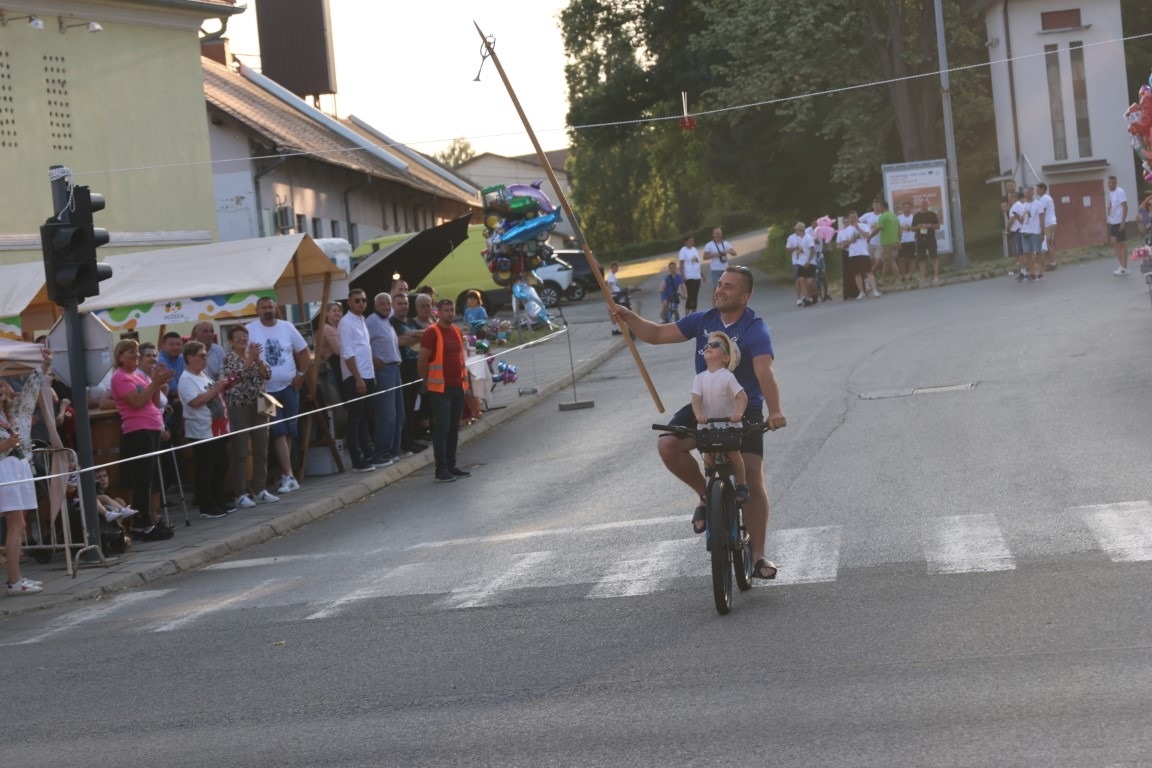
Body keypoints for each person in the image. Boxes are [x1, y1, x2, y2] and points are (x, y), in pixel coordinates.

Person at [608, 265, 786, 581]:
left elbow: (763, 373)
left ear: (745, 296)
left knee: (752, 476)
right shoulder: (702, 320)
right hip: (704, 408)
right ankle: (706, 495)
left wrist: (774, 410)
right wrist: (629, 317)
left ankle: (758, 555)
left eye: (728, 286)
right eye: (719, 284)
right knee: (668, 444)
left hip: (742, 410)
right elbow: (658, 334)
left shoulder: (755, 328)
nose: (719, 289)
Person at [109, 339, 174, 541]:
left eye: (136, 351)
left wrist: (157, 384)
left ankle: (148, 519)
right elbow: (136, 402)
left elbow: (153, 402)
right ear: (120, 356)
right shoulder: (119, 378)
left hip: (152, 428)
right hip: (138, 430)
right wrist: (154, 383)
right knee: (142, 479)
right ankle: (141, 523)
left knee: (151, 478)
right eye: (131, 352)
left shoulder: (138, 376)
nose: (135, 355)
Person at [0, 346, 51, 595]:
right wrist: (5, 446)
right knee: (15, 524)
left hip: (17, 468)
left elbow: (31, 394)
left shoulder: (11, 413)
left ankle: (15, 578)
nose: (1, 388)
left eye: (1, 385)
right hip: (4, 471)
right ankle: (13, 580)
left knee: (18, 523)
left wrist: (43, 366)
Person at [245, 295, 309, 494]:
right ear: (257, 310)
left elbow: (304, 352)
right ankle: (288, 476)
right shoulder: (250, 329)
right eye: (263, 307)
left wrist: (301, 375)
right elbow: (244, 357)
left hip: (289, 388)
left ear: (275, 308)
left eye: (270, 307)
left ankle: (286, 474)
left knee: (289, 431)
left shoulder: (287, 327)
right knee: (277, 432)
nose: (267, 310)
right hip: (265, 392)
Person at [690, 331, 749, 522]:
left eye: (715, 346)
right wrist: (699, 414)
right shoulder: (699, 378)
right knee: (708, 457)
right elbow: (696, 400)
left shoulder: (727, 377)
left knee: (734, 454)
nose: (709, 347)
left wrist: (738, 413)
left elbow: (742, 397)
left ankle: (741, 485)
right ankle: (708, 487)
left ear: (726, 357)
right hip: (708, 427)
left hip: (728, 426)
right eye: (707, 345)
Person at [221, 324, 278, 509]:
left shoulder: (254, 356)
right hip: (239, 406)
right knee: (241, 450)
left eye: (244, 337)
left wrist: (258, 360)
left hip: (261, 403)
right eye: (238, 338)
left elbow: (267, 374)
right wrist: (249, 360)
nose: (242, 340)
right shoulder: (229, 358)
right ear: (230, 341)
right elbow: (233, 379)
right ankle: (240, 492)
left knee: (262, 447)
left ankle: (260, 488)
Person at [417, 298, 471, 483]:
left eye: (452, 309)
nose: (450, 313)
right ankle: (441, 469)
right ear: (437, 312)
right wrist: (426, 381)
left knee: (454, 428)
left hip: (457, 386)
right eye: (446, 310)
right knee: (442, 429)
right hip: (440, 389)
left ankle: (451, 464)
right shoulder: (432, 333)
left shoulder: (456, 331)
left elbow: (460, 359)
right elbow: (422, 360)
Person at [178, 340, 233, 519]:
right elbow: (194, 402)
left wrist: (221, 389)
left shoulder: (204, 375)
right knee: (206, 467)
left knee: (221, 464)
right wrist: (215, 389)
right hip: (202, 430)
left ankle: (219, 498)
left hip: (216, 428)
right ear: (190, 357)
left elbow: (213, 393)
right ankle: (206, 505)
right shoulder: (186, 379)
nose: (205, 359)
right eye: (201, 355)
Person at [338, 288, 378, 473]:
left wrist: (370, 375)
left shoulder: (361, 320)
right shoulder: (346, 323)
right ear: (349, 302)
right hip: (356, 376)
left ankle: (368, 453)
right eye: (357, 300)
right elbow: (348, 353)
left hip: (367, 374)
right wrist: (358, 378)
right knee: (354, 419)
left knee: (363, 417)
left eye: (363, 300)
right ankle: (357, 458)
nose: (361, 303)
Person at [366, 291, 405, 466]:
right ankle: (382, 451)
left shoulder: (387, 321)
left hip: (395, 368)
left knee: (398, 412)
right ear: (375, 306)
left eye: (388, 304)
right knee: (387, 414)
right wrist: (373, 359)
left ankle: (395, 449)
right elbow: (364, 344)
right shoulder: (371, 321)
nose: (386, 307)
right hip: (384, 370)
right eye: (383, 304)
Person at [390, 292, 427, 454]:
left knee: (413, 407)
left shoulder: (411, 321)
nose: (403, 306)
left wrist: (412, 334)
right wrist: (415, 336)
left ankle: (412, 439)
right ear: (393, 305)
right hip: (403, 370)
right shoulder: (392, 323)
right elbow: (401, 341)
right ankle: (404, 441)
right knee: (404, 407)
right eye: (399, 303)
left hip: (416, 369)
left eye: (405, 303)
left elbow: (426, 335)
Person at [836, 211, 874, 300]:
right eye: (845, 222)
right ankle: (851, 292)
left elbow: (867, 236)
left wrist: (857, 229)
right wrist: (849, 242)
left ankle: (864, 290)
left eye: (847, 222)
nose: (847, 223)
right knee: (851, 273)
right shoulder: (842, 232)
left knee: (865, 271)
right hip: (848, 253)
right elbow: (840, 245)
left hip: (860, 252)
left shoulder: (861, 226)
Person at [911, 198, 942, 286]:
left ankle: (936, 276)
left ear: (927, 205)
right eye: (922, 204)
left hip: (930, 238)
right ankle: (923, 277)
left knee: (934, 257)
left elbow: (938, 226)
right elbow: (912, 228)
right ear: (920, 205)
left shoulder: (932, 214)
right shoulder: (916, 216)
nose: (924, 205)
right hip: (920, 239)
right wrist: (919, 226)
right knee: (921, 259)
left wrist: (929, 225)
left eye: (925, 204)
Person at [1017, 186, 1045, 281]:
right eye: (1026, 192)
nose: (1027, 194)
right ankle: (1032, 272)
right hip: (1025, 231)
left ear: (1032, 193)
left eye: (1029, 192)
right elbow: (1023, 220)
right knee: (1027, 253)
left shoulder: (1038, 204)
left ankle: (1040, 272)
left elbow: (1041, 218)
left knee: (1038, 252)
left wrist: (1042, 232)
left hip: (1035, 231)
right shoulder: (1024, 205)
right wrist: (1018, 218)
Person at [314, 300, 344, 387]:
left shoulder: (336, 327)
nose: (337, 313)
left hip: (338, 367)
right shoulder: (328, 329)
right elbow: (338, 351)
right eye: (334, 311)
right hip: (334, 368)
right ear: (327, 313)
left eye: (339, 311)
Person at [786, 222, 815, 307]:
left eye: (797, 230)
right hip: (799, 262)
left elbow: (812, 249)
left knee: (809, 282)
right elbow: (788, 249)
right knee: (800, 280)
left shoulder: (807, 237)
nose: (796, 231)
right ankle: (805, 298)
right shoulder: (794, 237)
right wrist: (796, 248)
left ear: (800, 230)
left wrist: (809, 260)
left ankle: (810, 296)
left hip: (808, 262)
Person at [858, 199, 883, 295]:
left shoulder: (882, 216)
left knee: (878, 261)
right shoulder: (868, 215)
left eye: (878, 205)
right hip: (869, 242)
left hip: (879, 242)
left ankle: (867, 279)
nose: (877, 206)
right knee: (869, 262)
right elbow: (858, 221)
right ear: (873, 206)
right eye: (875, 205)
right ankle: (869, 280)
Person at [1107, 175, 1130, 275]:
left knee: (1121, 243)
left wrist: (1123, 222)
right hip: (1113, 221)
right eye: (1109, 183)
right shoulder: (1111, 193)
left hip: (1120, 221)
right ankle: (1121, 265)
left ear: (1116, 183)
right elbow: (1113, 206)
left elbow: (1125, 206)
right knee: (1113, 241)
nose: (1110, 185)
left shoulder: (1120, 192)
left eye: (1112, 183)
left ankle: (1124, 267)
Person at [876, 201, 902, 283]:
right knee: (888, 261)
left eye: (879, 207)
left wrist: (870, 237)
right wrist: (899, 241)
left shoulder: (883, 217)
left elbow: (878, 228)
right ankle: (883, 279)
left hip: (887, 242)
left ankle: (897, 279)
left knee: (890, 261)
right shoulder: (894, 216)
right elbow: (900, 230)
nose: (878, 208)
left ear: (883, 207)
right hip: (894, 241)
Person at [1036, 182, 1058, 270]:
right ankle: (1053, 261)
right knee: (1051, 243)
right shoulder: (1049, 198)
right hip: (1053, 222)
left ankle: (1052, 262)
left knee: (1047, 243)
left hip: (1048, 223)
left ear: (1042, 189)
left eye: (1038, 189)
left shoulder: (1043, 199)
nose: (1036, 191)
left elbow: (1042, 212)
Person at [678, 234, 703, 312]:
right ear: (686, 242)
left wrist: (702, 273)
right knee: (690, 296)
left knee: (695, 296)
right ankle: (687, 315)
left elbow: (697, 262)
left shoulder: (694, 250)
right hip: (689, 276)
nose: (692, 242)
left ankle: (694, 314)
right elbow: (681, 264)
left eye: (693, 240)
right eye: (690, 241)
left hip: (697, 276)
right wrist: (682, 275)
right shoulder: (683, 251)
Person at [1007, 189, 1027, 281]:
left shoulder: (1014, 207)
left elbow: (1011, 220)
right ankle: (1023, 271)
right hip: (1021, 230)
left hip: (1017, 231)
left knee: (1019, 252)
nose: (1008, 200)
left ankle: (1024, 272)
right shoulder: (1020, 205)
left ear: (1012, 197)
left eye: (1009, 198)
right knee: (1020, 252)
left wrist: (1007, 228)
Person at [897, 201, 917, 282]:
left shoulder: (913, 217)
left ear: (910, 208)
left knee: (911, 259)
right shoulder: (899, 218)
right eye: (905, 207)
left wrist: (911, 229)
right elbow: (896, 229)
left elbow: (916, 228)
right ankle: (902, 276)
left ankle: (911, 275)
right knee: (901, 259)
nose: (906, 209)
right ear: (902, 209)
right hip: (902, 241)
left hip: (911, 240)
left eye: (908, 207)